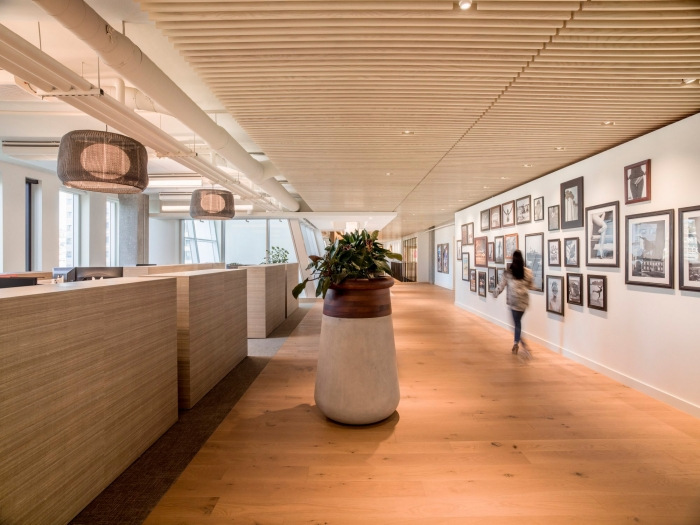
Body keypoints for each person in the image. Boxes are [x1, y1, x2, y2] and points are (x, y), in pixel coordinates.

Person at [492, 250, 536, 358]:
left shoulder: (509, 272)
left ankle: (522, 346)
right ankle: (516, 343)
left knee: (516, 324)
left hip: (514, 302)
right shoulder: (528, 272)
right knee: (517, 323)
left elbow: (501, 285)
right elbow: (531, 286)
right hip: (523, 302)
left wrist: (495, 293)